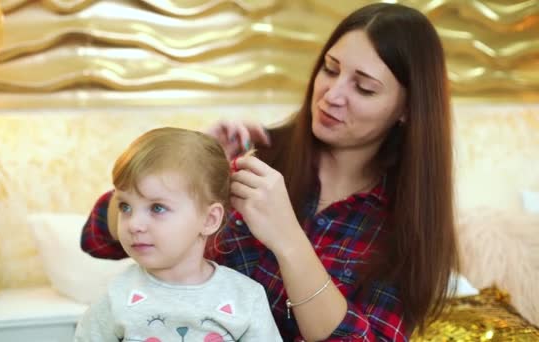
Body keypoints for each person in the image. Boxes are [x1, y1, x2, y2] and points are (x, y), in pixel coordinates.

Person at [80, 3, 459, 341]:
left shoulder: (405, 224)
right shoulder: (257, 157)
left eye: (363, 88)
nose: (332, 94)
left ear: (407, 111)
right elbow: (98, 237)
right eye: (330, 69)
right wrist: (181, 172)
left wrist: (289, 240)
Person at [75, 127, 282, 341]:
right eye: (125, 207)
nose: (134, 224)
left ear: (209, 220)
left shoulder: (246, 298)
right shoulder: (116, 296)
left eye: (157, 208)